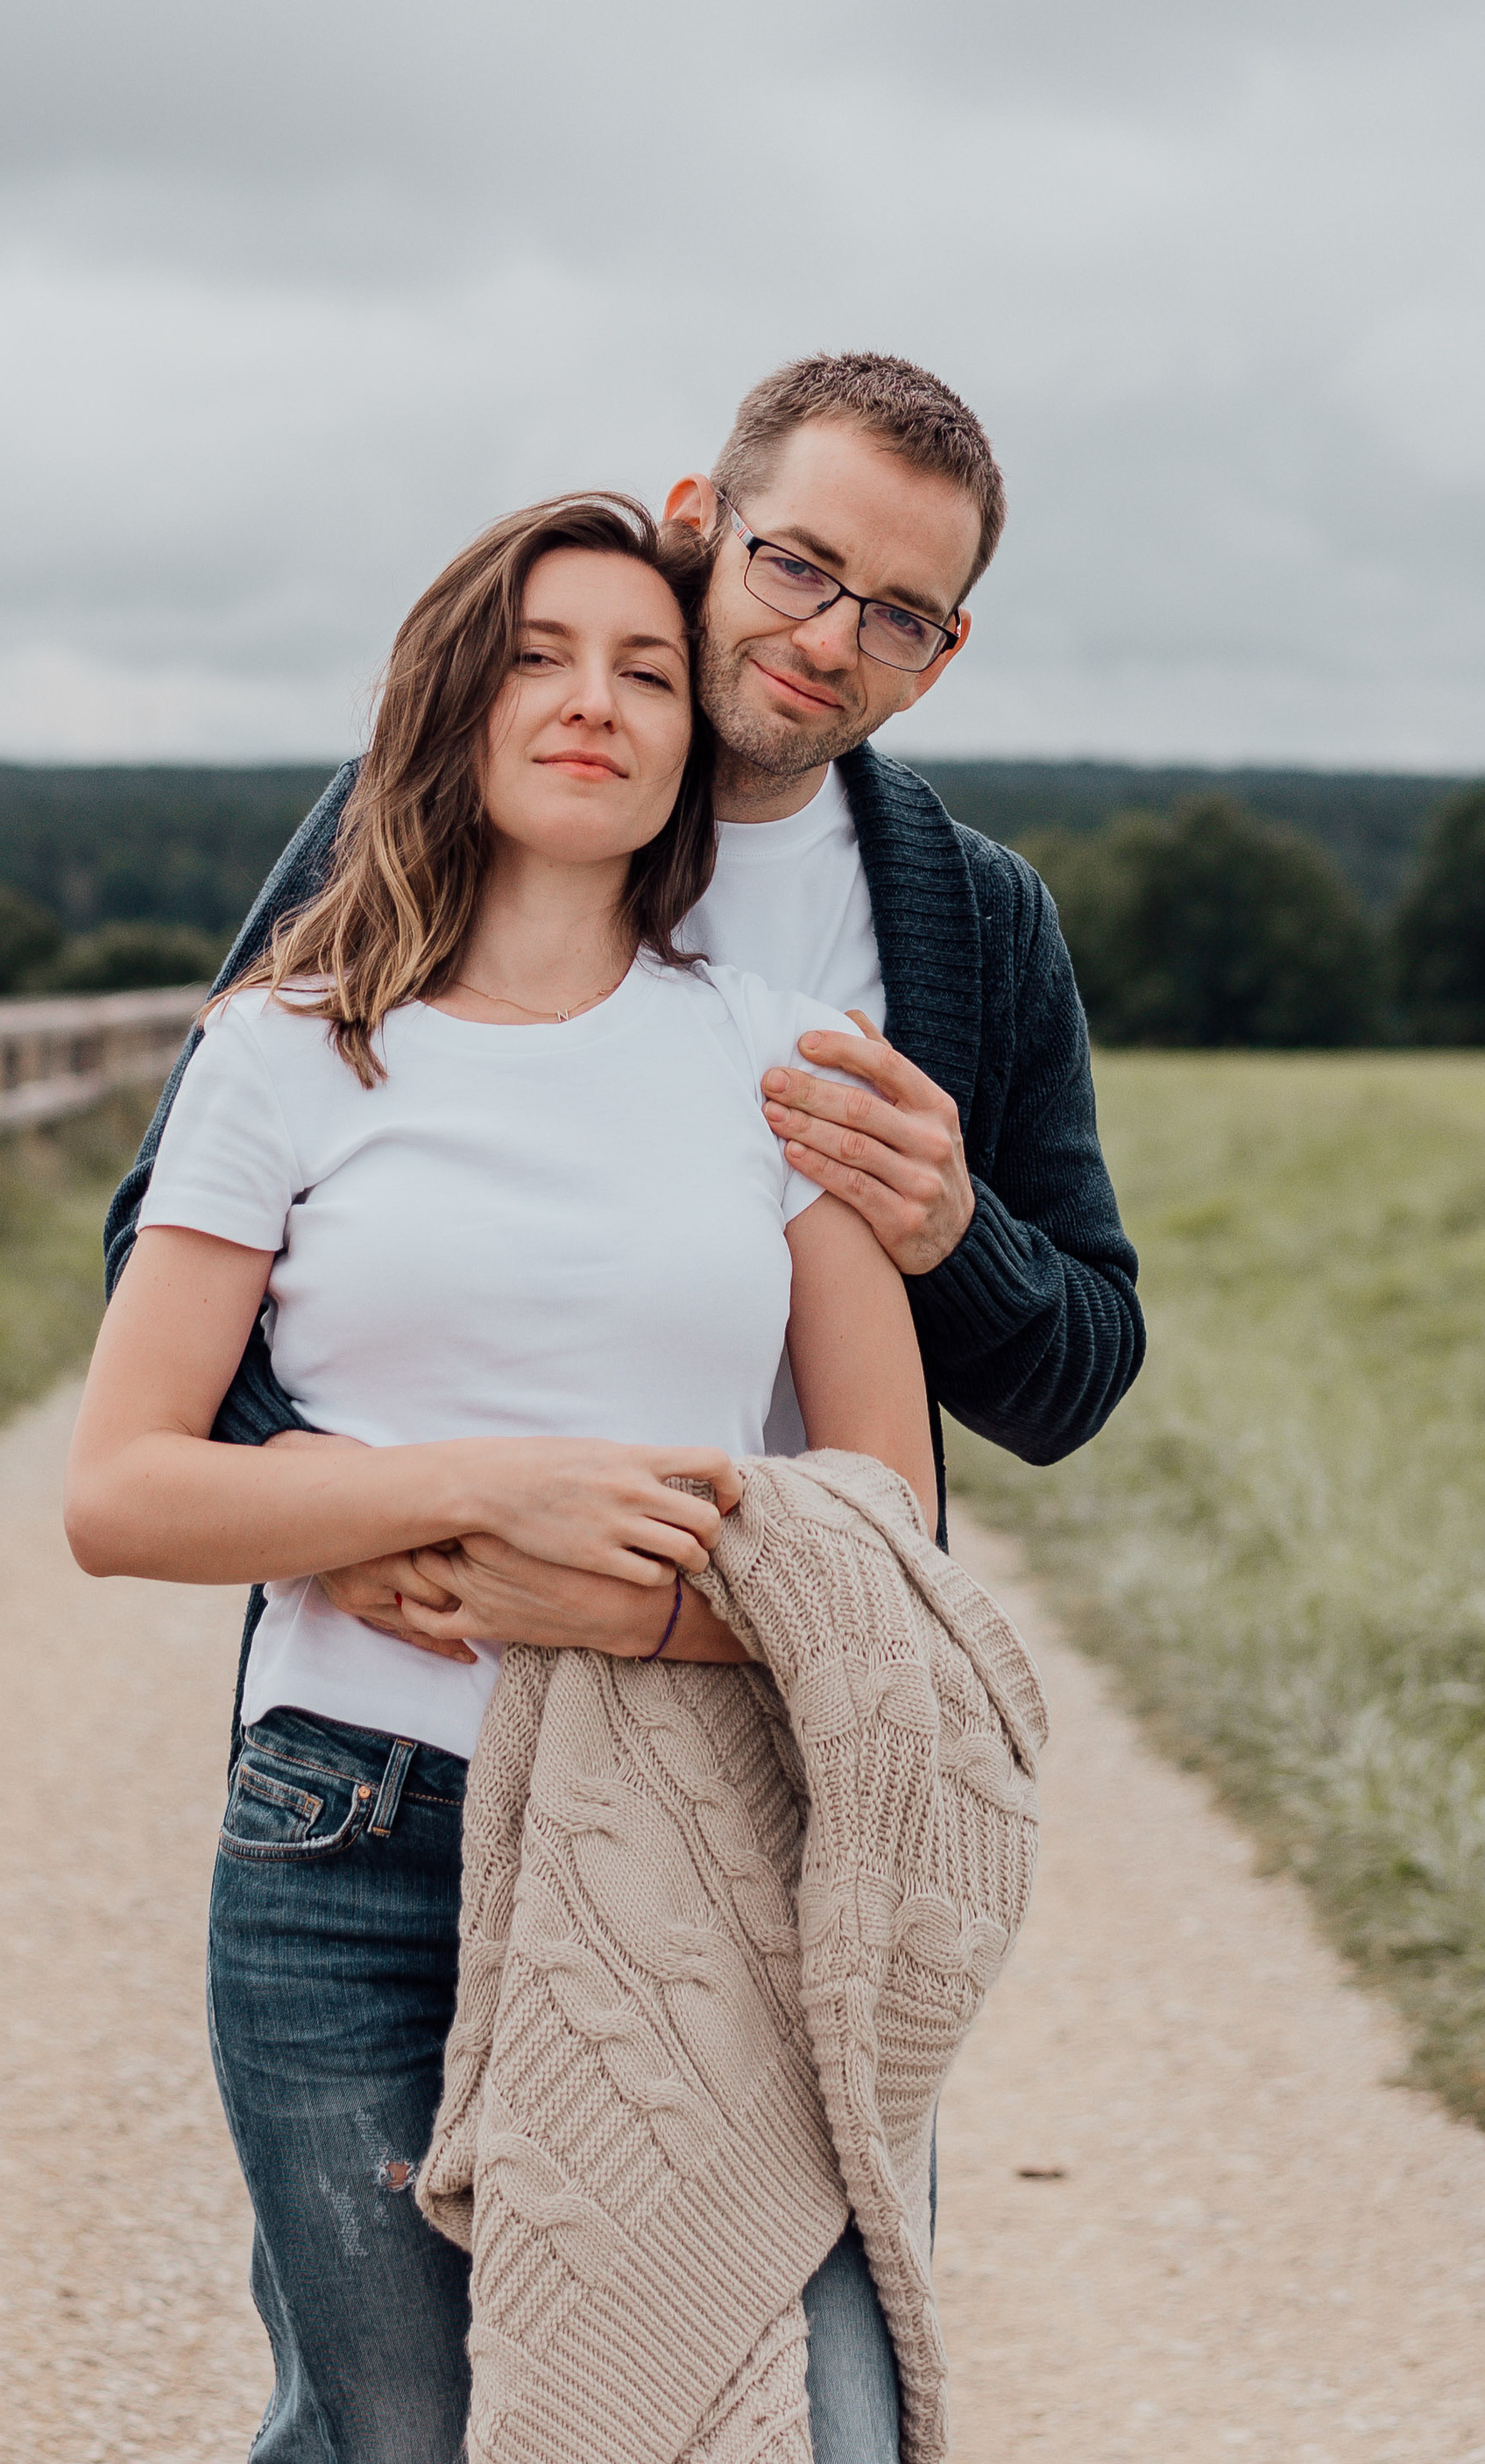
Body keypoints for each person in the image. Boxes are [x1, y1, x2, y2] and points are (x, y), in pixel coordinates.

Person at [66, 492, 937, 2461]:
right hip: (348, 1841)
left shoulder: (778, 1055)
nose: (591, 701)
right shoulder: (284, 1050)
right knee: (406, 2438)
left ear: (683, 742)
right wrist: (471, 1494)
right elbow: (121, 1487)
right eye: (539, 653)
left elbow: (892, 1547)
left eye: (643, 669)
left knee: (815, 2424)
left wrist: (631, 1602)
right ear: (451, 701)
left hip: (708, 1842)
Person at [104, 349, 1143, 1688]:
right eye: (799, 566)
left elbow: (1075, 1384)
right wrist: (341, 1493)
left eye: (898, 615)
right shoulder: (433, 806)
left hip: (749, 1703)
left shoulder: (979, 921)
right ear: (699, 525)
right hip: (399, 1685)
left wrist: (957, 1236)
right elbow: (171, 1224)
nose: (829, 639)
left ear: (940, 658)